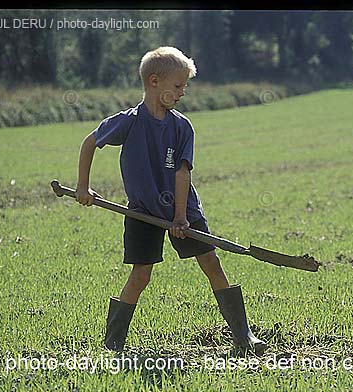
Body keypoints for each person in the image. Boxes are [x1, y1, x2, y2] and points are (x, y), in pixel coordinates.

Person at [74, 46, 267, 356]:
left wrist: (181, 216)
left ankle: (244, 336)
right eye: (178, 86)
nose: (182, 93)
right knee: (140, 275)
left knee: (212, 264)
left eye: (184, 86)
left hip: (184, 209)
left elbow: (182, 172)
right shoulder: (129, 121)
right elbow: (89, 142)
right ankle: (113, 344)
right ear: (154, 81)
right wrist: (83, 187)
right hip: (142, 211)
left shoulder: (182, 126)